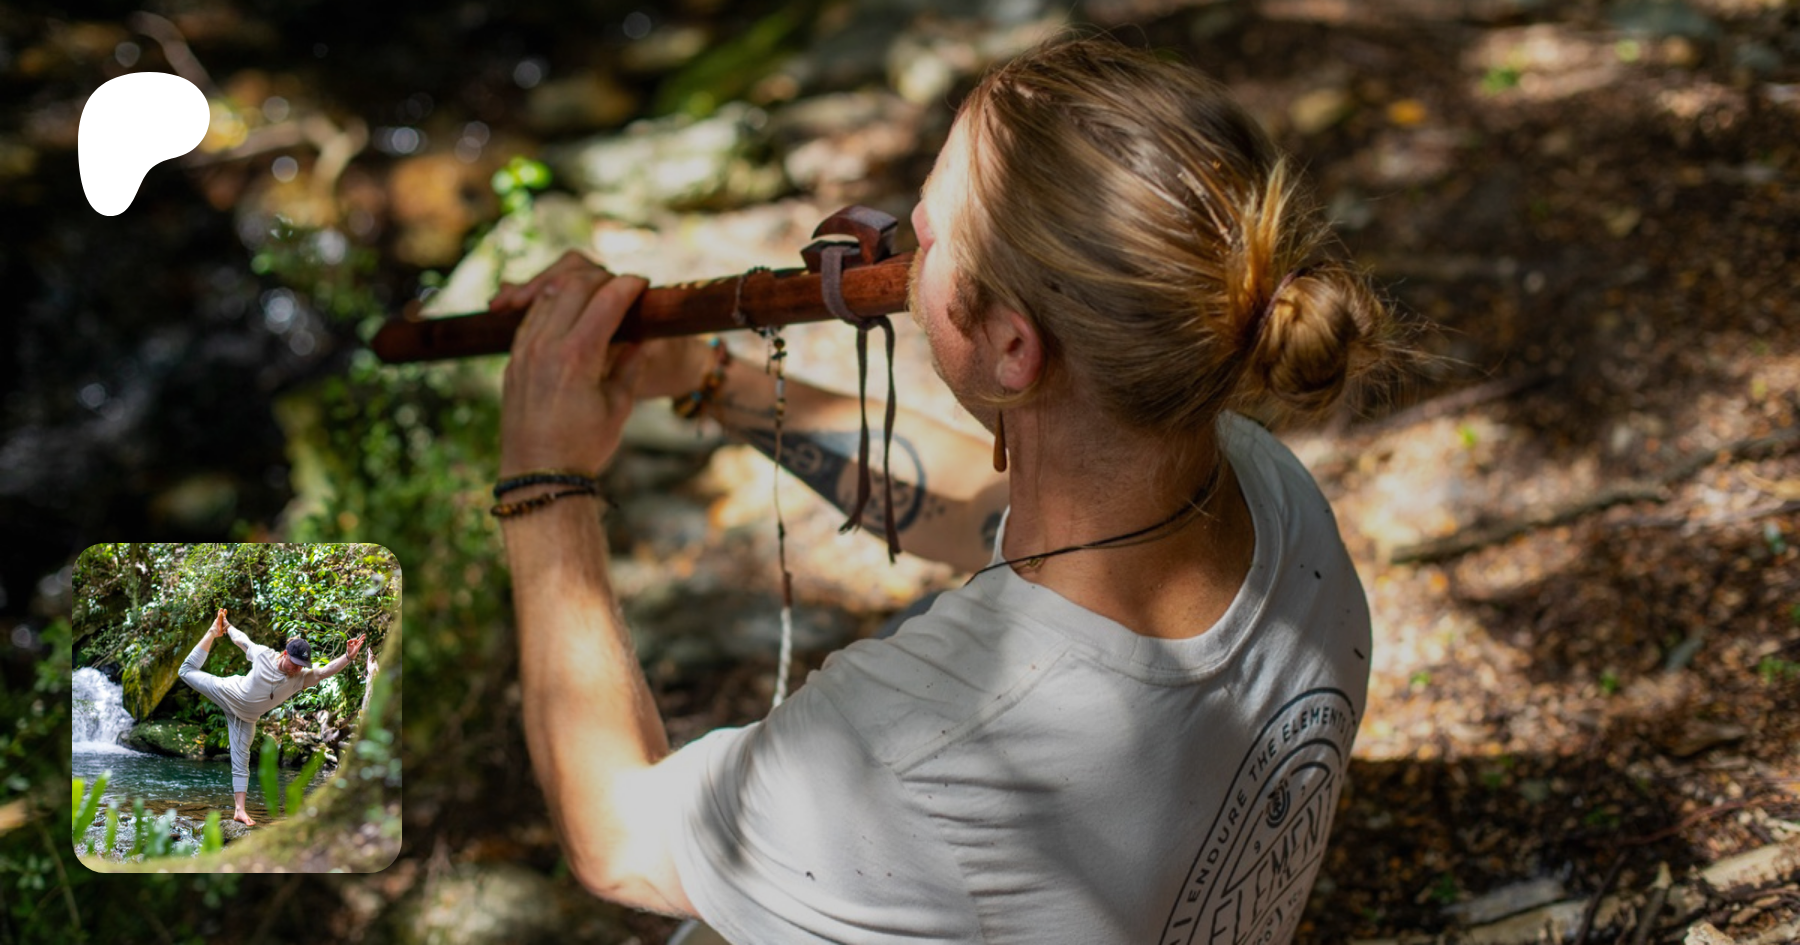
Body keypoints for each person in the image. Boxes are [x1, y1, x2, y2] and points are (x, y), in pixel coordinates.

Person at [488, 35, 1397, 944]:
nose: (905, 230)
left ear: (1012, 346)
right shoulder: (1267, 488)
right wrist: (706, 378)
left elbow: (616, 839)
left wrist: (543, 471)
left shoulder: (923, 747)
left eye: (928, 236)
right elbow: (976, 507)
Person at [177, 607, 365, 825]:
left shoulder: (299, 679)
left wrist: (347, 657)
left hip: (246, 718)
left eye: (301, 666)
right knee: (186, 671)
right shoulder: (263, 655)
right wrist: (225, 627)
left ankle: (239, 810)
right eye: (294, 663)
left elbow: (324, 671)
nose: (297, 669)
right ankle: (211, 632)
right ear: (284, 654)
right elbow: (242, 640)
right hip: (227, 692)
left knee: (242, 760)